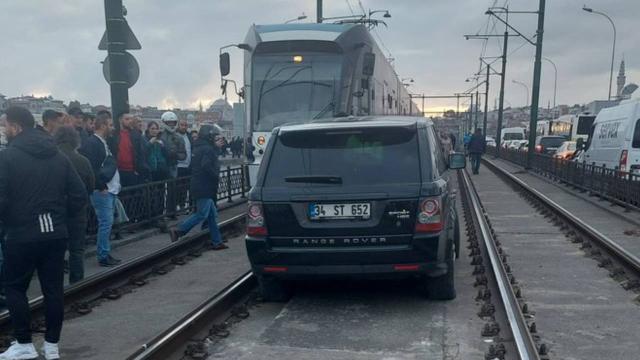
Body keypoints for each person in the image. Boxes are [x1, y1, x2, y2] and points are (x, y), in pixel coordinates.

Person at [0, 107, 87, 359]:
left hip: (21, 233)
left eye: (6, 125)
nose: (5, 130)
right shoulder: (58, 156)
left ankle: (24, 344)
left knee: (15, 287)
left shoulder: (7, 157)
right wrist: (59, 217)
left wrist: (7, 222)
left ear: (16, 127)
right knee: (53, 289)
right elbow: (79, 194)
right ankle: (51, 347)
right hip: (55, 233)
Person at [169, 125, 228, 250]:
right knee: (201, 214)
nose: (215, 138)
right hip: (205, 186)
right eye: (213, 136)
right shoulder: (207, 149)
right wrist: (215, 175)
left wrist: (216, 149)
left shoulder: (198, 147)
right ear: (209, 136)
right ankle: (179, 230)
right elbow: (206, 165)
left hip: (199, 184)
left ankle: (217, 241)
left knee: (212, 215)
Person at [79, 110, 122, 267]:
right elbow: (91, 167)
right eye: (110, 125)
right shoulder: (93, 143)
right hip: (103, 190)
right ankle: (103, 254)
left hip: (109, 188)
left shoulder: (103, 142)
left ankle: (105, 252)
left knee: (107, 222)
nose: (112, 128)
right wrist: (100, 186)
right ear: (103, 125)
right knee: (106, 222)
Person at [54, 126, 95, 284]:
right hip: (78, 212)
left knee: (56, 251)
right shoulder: (82, 161)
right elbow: (91, 186)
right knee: (76, 250)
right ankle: (77, 284)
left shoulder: (52, 159)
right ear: (75, 140)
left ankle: (55, 286)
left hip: (56, 213)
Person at [110, 113, 148, 187]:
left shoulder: (136, 135)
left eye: (131, 119)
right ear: (120, 120)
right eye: (127, 119)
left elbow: (141, 153)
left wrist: (138, 170)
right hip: (118, 171)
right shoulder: (114, 135)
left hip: (132, 171)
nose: (130, 121)